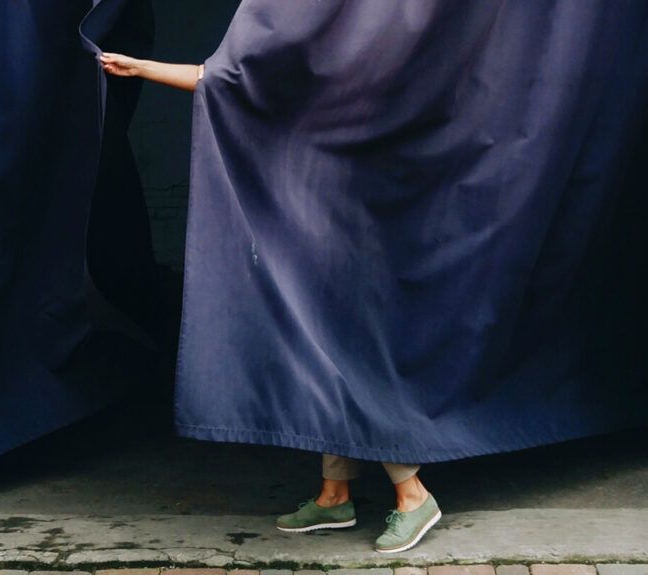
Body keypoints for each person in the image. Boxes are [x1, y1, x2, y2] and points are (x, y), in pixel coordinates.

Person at [99, 51, 442, 554]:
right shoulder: (304, 40)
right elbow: (232, 81)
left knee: (348, 359)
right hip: (310, 216)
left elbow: (238, 84)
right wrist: (145, 69)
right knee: (318, 355)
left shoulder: (350, 40)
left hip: (348, 218)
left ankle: (414, 494)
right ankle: (334, 494)